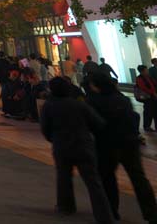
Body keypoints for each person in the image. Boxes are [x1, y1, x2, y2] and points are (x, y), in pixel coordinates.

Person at [41, 76, 114, 223]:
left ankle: (66, 206)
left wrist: (54, 139)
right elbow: (98, 122)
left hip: (62, 146)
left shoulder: (48, 106)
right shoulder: (79, 104)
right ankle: (103, 215)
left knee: (63, 177)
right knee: (93, 182)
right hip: (83, 145)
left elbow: (45, 129)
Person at [86, 73, 157, 223]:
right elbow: (133, 118)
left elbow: (93, 124)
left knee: (107, 179)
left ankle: (112, 212)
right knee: (139, 178)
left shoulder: (94, 102)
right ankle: (151, 213)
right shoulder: (123, 99)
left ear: (96, 85)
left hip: (107, 146)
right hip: (129, 143)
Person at [134, 64, 157, 132]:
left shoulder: (148, 77)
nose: (147, 71)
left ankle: (147, 126)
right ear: (142, 71)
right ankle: (147, 126)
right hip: (147, 97)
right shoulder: (139, 78)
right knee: (151, 111)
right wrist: (153, 93)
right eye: (146, 70)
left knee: (149, 111)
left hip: (152, 96)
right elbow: (144, 88)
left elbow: (154, 84)